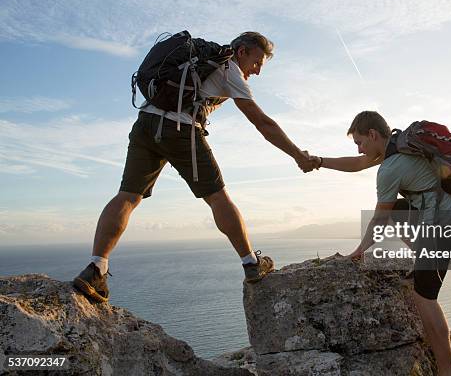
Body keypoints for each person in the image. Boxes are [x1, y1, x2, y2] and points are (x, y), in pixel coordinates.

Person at [73, 31, 318, 303]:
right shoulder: (229, 69)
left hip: (145, 123)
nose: (257, 71)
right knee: (217, 197)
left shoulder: (200, 61)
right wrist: (297, 154)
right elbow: (262, 123)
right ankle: (251, 264)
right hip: (181, 129)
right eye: (257, 62)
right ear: (242, 52)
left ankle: (96, 268)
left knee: (128, 196)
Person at [308, 111, 451, 376]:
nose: (360, 150)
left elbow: (380, 219)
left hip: (444, 225)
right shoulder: (402, 143)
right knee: (399, 207)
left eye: (360, 142)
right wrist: (320, 161)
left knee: (424, 296)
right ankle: (422, 257)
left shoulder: (390, 169)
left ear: (372, 134)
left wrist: (360, 250)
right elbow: (359, 163)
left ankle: (447, 371)